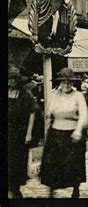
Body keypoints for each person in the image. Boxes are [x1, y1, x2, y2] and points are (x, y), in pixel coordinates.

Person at [39, 68, 88, 198]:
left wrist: (78, 131)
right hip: (56, 132)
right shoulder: (54, 94)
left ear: (73, 83)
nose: (66, 85)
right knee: (52, 162)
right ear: (59, 83)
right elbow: (50, 110)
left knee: (73, 163)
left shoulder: (78, 96)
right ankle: (51, 188)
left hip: (72, 134)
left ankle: (75, 189)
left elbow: (84, 115)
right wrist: (49, 116)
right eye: (63, 82)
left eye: (69, 82)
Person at [8, 65, 38, 199]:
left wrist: (29, 133)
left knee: (17, 161)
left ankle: (15, 188)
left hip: (19, 133)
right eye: (9, 79)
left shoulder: (25, 93)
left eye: (14, 79)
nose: (11, 82)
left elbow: (32, 113)